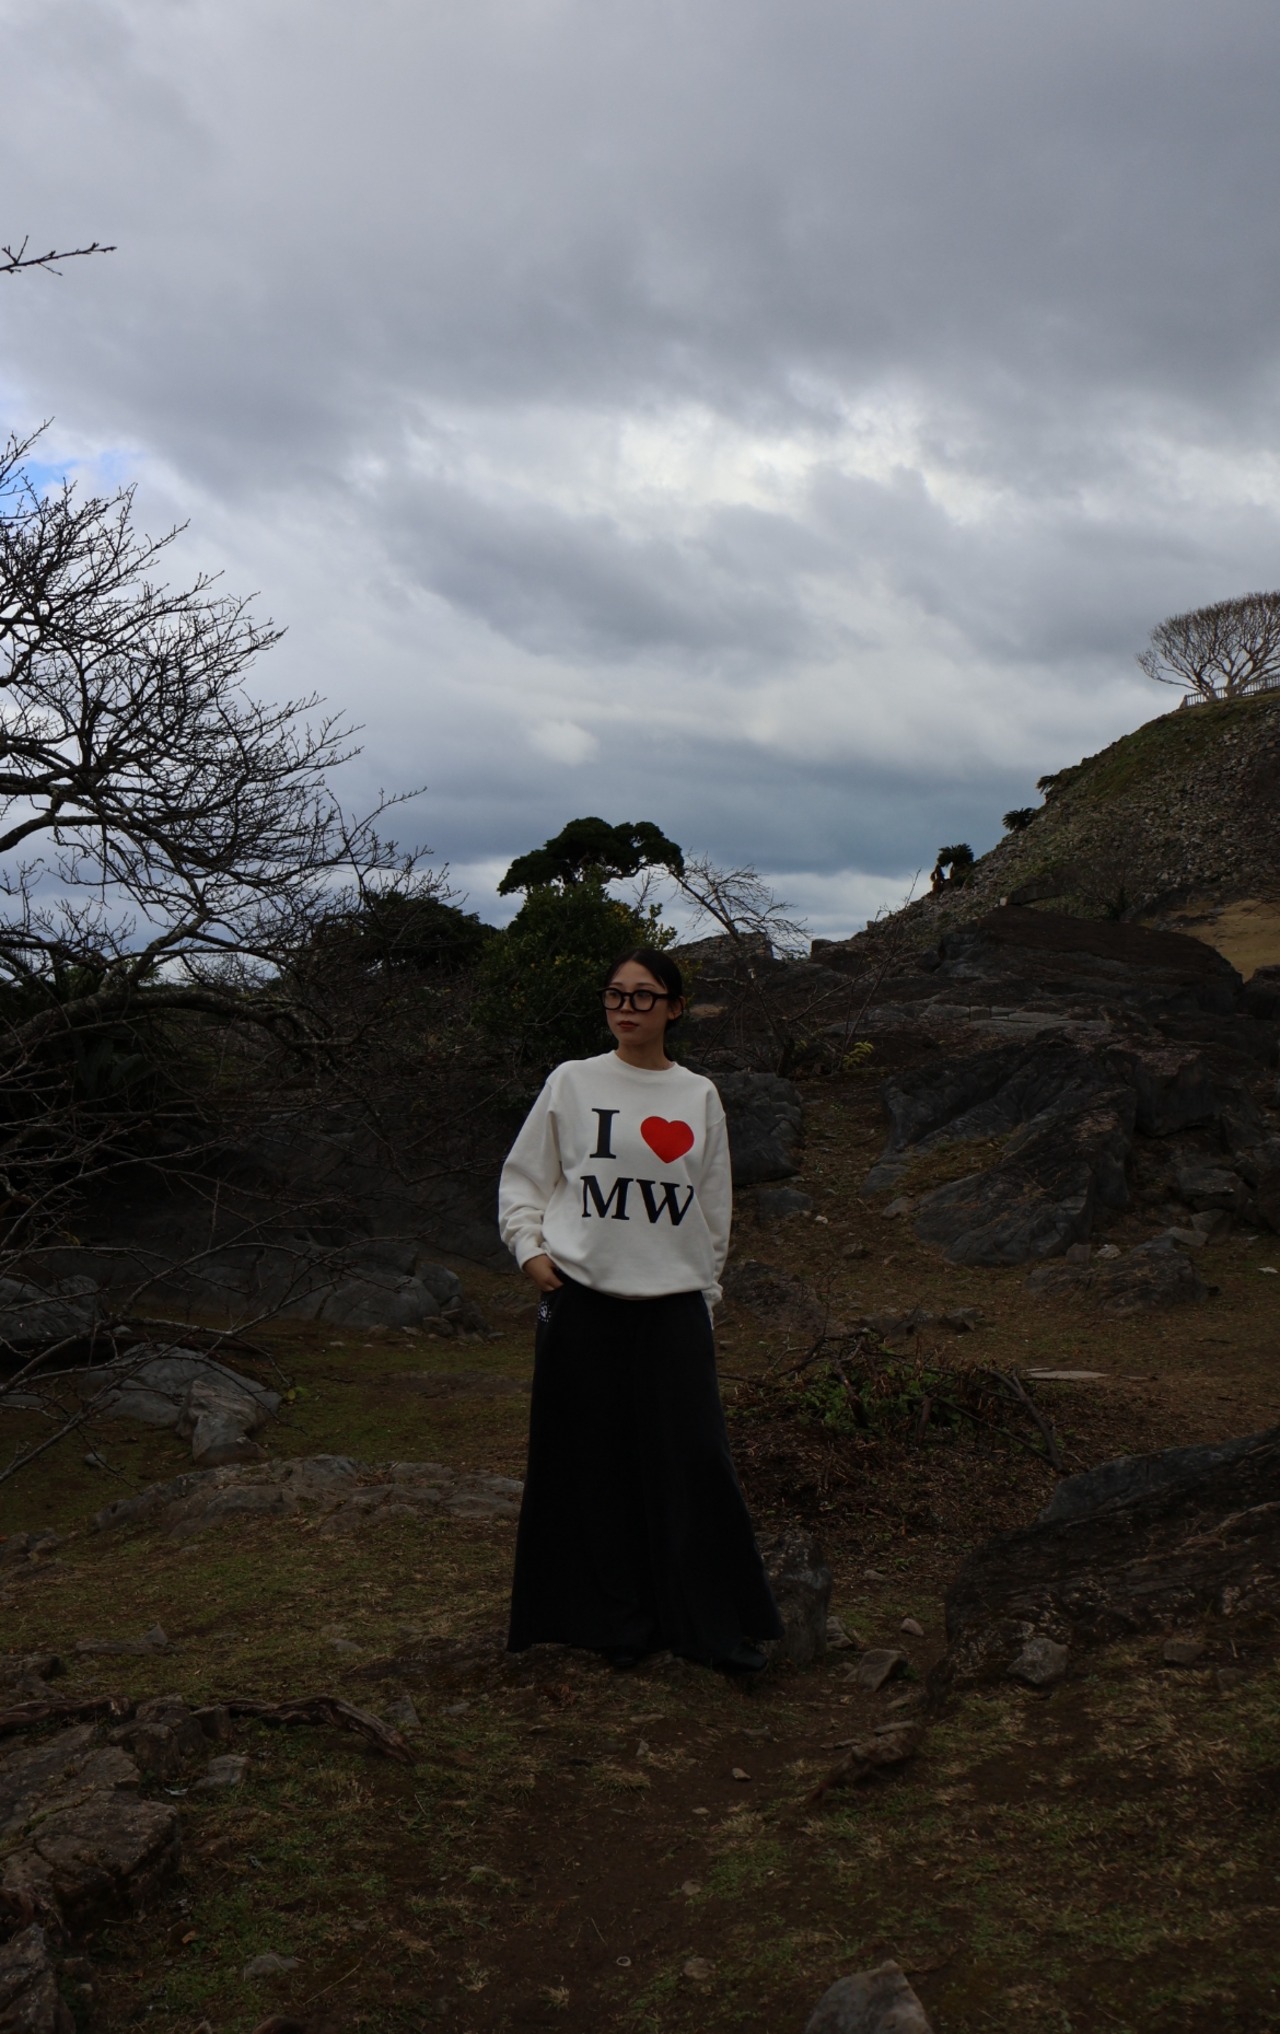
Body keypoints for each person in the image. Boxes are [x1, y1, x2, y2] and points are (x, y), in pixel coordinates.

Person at [498, 946, 782, 1673]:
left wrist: (705, 1296)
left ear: (674, 1008)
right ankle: (607, 1625)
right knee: (586, 1463)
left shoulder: (698, 1096)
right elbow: (525, 1178)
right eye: (616, 994)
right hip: (582, 1300)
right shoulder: (572, 1081)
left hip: (673, 1305)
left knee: (693, 1463)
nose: (627, 1008)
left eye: (644, 995)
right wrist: (530, 1250)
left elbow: (712, 1209)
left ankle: (708, 1628)